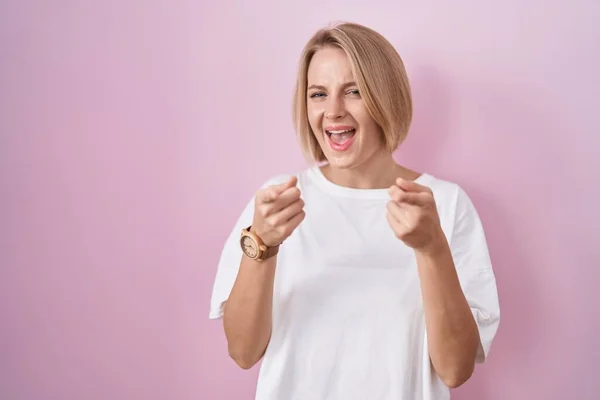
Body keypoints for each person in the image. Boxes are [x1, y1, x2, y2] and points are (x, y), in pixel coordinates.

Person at [209, 21, 500, 400]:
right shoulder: (276, 203)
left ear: (386, 98)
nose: (333, 111)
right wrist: (262, 245)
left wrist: (432, 249)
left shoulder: (444, 203)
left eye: (354, 91)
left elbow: (456, 368)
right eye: (318, 94)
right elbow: (243, 352)